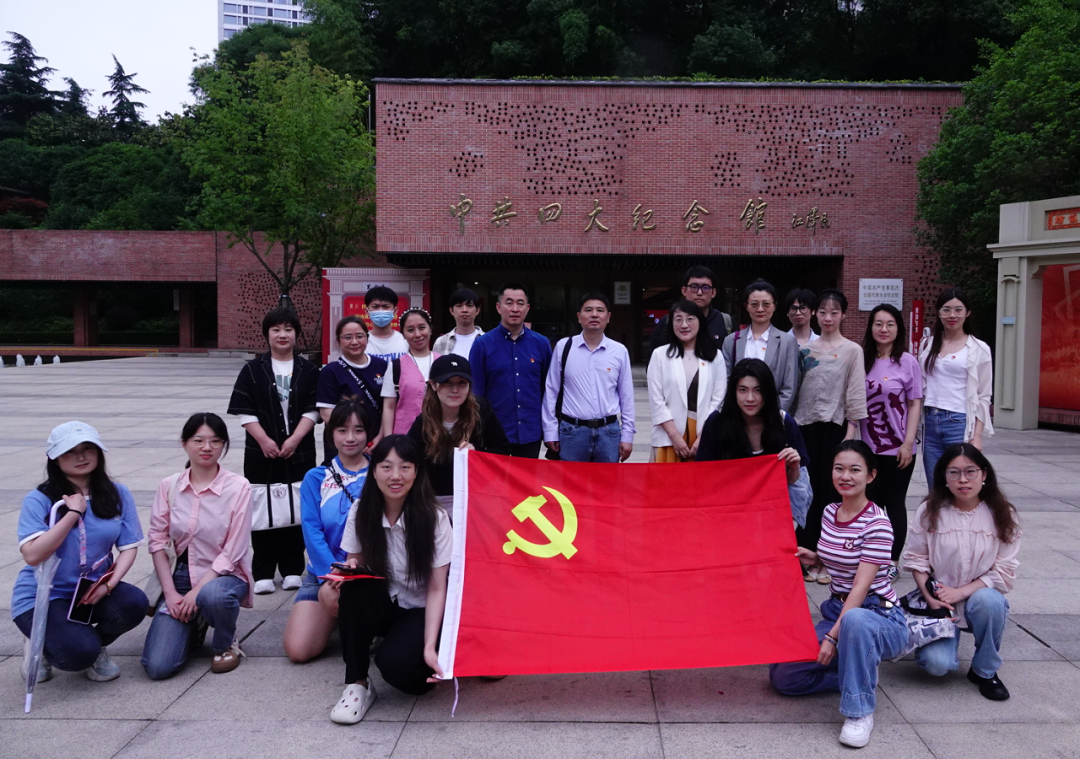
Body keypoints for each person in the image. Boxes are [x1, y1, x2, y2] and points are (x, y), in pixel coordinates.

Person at [769, 440, 906, 750]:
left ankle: (859, 710)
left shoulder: (878, 524)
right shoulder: (830, 511)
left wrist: (832, 638)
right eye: (839, 469)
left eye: (855, 470)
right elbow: (844, 559)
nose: (845, 476)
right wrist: (817, 558)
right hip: (837, 610)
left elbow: (860, 587)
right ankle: (859, 671)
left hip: (877, 615)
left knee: (854, 621)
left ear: (870, 476)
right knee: (784, 676)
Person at [329, 435, 452, 724]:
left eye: (405, 467)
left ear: (416, 472)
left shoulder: (434, 518)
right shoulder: (361, 510)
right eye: (386, 467)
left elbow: (438, 588)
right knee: (355, 587)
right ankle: (357, 683)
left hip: (423, 609)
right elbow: (355, 559)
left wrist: (428, 647)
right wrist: (350, 566)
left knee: (400, 671)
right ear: (374, 471)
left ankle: (430, 648)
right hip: (387, 601)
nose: (395, 476)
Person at [13, 422, 146, 683]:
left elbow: (129, 547)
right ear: (55, 458)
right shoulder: (39, 499)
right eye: (70, 451)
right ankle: (40, 642)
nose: (81, 457)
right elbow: (32, 555)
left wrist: (108, 586)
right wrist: (73, 513)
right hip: (45, 594)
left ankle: (93, 646)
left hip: (89, 589)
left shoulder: (117, 493)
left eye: (88, 448)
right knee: (78, 654)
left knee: (134, 603)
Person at [902, 443, 1021, 701]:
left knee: (991, 601)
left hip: (978, 596)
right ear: (944, 477)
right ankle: (942, 640)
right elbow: (917, 560)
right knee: (937, 665)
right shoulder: (930, 510)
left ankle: (984, 670)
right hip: (939, 599)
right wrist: (930, 597)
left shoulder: (1003, 513)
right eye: (954, 472)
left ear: (984, 474)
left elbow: (1004, 570)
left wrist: (961, 592)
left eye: (970, 472)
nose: (963, 480)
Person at [142, 413, 254, 678]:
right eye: (199, 440)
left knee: (212, 596)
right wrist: (171, 593)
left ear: (224, 445)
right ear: (184, 443)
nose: (207, 447)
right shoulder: (169, 486)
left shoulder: (239, 487)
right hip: (179, 577)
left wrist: (197, 592)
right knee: (158, 667)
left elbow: (234, 550)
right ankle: (196, 624)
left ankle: (225, 643)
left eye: (215, 441)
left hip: (223, 578)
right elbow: (157, 542)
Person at [227, 307, 318, 595]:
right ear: (266, 334)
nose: (282, 334)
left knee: (297, 506)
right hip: (261, 453)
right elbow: (244, 410)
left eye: (288, 329)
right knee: (261, 508)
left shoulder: (308, 370)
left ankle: (292, 568)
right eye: (276, 329)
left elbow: (313, 409)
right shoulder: (252, 370)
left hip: (299, 452)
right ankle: (263, 571)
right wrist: (264, 440)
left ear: (296, 334)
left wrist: (295, 439)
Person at [284, 399, 371, 663]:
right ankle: (340, 616)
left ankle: (364, 621)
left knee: (343, 601)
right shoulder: (316, 477)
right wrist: (332, 571)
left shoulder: (381, 473)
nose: (350, 438)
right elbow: (311, 529)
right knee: (299, 650)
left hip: (368, 571)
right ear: (331, 434)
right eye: (342, 430)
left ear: (368, 433)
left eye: (358, 430)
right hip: (325, 572)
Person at [792, 288, 868, 584]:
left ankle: (829, 559)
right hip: (804, 428)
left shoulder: (852, 350)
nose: (828, 317)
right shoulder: (802, 350)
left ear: (843, 315)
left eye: (834, 312)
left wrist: (850, 435)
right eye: (822, 312)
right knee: (806, 493)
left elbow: (855, 393)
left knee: (832, 493)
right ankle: (807, 554)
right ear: (815, 314)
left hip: (836, 429)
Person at [696, 358, 811, 527]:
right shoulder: (717, 422)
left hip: (773, 507)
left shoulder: (784, 423)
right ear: (733, 392)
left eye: (758, 390)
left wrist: (793, 467)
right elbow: (703, 476)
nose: (750, 398)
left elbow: (794, 484)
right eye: (743, 390)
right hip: (727, 506)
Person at [860, 304, 923, 566]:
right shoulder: (861, 359)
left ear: (898, 329)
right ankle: (871, 559)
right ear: (870, 327)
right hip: (868, 449)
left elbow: (915, 404)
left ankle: (893, 561)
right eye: (878, 324)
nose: (883, 329)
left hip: (898, 448)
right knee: (871, 504)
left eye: (890, 324)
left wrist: (908, 443)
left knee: (895, 503)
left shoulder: (908, 362)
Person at [408, 355, 510, 517]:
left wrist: (477, 455)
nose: (455, 390)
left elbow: (503, 452)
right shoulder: (423, 422)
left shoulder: (482, 411)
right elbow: (409, 460)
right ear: (433, 385)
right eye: (447, 382)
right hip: (434, 500)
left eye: (462, 383)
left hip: (476, 495)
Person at [542, 292, 636, 463]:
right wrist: (550, 431)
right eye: (588, 310)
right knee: (571, 480)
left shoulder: (619, 351)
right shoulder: (564, 347)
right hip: (572, 432)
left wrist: (628, 435)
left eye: (600, 310)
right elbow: (551, 391)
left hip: (609, 433)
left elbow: (626, 396)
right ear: (579, 317)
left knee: (607, 480)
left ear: (608, 317)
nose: (594, 314)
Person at [918, 287, 993, 484]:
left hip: (958, 422)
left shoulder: (978, 348)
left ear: (967, 313)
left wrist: (977, 436)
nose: (952, 315)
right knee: (935, 483)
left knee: (959, 483)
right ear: (938, 313)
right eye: (946, 309)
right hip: (930, 421)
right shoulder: (927, 344)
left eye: (958, 310)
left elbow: (984, 395)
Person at [469, 283, 553, 458]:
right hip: (494, 432)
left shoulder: (541, 344)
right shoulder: (482, 345)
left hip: (530, 432)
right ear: (498, 307)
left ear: (527, 308)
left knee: (527, 476)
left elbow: (548, 389)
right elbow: (477, 394)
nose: (515, 309)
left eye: (520, 303)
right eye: (509, 303)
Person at [646, 299, 727, 462]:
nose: (684, 325)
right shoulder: (660, 355)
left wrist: (702, 438)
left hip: (704, 436)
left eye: (690, 319)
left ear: (700, 322)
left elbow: (718, 401)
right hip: (668, 437)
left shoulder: (715, 356)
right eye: (678, 319)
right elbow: (657, 401)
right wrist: (675, 437)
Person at [721, 280, 800, 411]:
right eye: (754, 304)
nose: (760, 309)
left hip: (774, 414)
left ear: (775, 305)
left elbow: (789, 388)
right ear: (746, 306)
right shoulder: (731, 341)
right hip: (738, 414)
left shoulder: (787, 342)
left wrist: (773, 414)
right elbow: (725, 382)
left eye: (766, 304)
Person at [317, 316, 388, 458]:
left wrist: (380, 436)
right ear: (338, 341)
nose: (354, 342)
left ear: (367, 338)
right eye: (348, 337)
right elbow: (326, 413)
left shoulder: (382, 365)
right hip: (344, 446)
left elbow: (389, 406)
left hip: (376, 442)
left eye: (359, 336)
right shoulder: (330, 372)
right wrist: (353, 437)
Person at [381, 308, 441, 437]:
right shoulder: (396, 366)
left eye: (422, 327)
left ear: (430, 329)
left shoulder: (443, 362)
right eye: (410, 330)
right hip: (404, 437)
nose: (417, 334)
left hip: (439, 435)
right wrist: (388, 440)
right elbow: (389, 407)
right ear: (403, 334)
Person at [648, 265, 729, 355]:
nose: (699, 293)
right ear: (684, 291)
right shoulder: (667, 322)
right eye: (694, 287)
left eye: (705, 288)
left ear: (713, 293)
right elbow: (654, 359)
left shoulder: (726, 322)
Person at [433, 287, 484, 358]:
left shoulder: (488, 341)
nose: (464, 310)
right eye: (459, 306)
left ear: (477, 311)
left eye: (469, 306)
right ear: (451, 311)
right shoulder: (440, 342)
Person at [364, 285, 409, 362]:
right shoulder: (361, 342)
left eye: (386, 306)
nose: (380, 310)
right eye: (375, 307)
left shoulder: (405, 340)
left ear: (395, 311)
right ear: (367, 311)